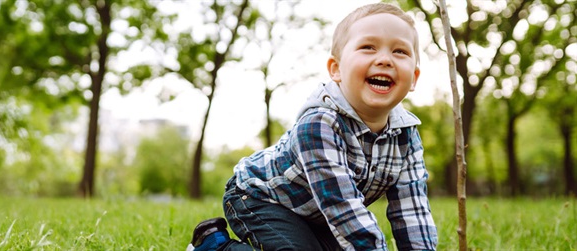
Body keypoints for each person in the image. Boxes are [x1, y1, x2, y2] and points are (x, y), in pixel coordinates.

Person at [187, 3, 438, 250]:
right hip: (260, 198)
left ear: (414, 78)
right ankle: (212, 245)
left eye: (400, 52)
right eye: (368, 47)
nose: (384, 59)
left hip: (316, 214)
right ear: (336, 69)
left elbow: (412, 210)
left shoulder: (406, 135)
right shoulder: (320, 124)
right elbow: (343, 208)